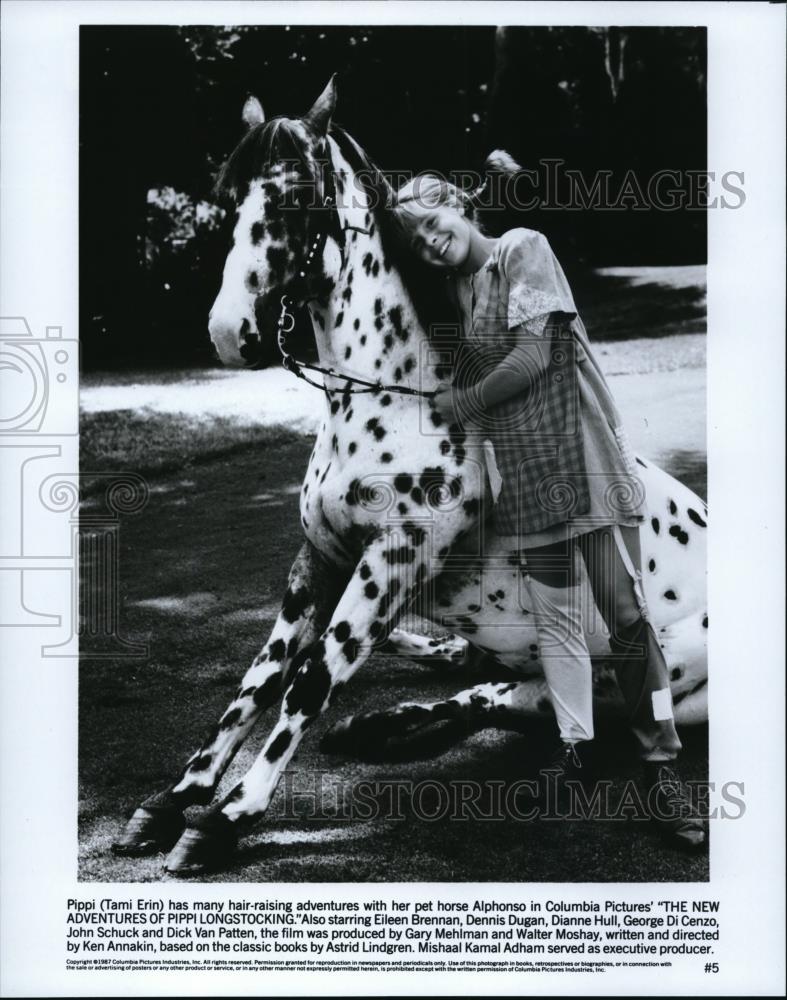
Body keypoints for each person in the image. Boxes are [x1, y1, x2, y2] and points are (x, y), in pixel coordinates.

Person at [390, 172, 706, 850]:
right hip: (524, 476)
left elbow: (534, 355)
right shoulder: (456, 289)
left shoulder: (521, 248)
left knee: (625, 620)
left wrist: (462, 403)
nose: (427, 240)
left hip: (583, 459)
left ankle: (660, 770)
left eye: (431, 220)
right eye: (412, 238)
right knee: (557, 627)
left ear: (460, 205)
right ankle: (574, 746)